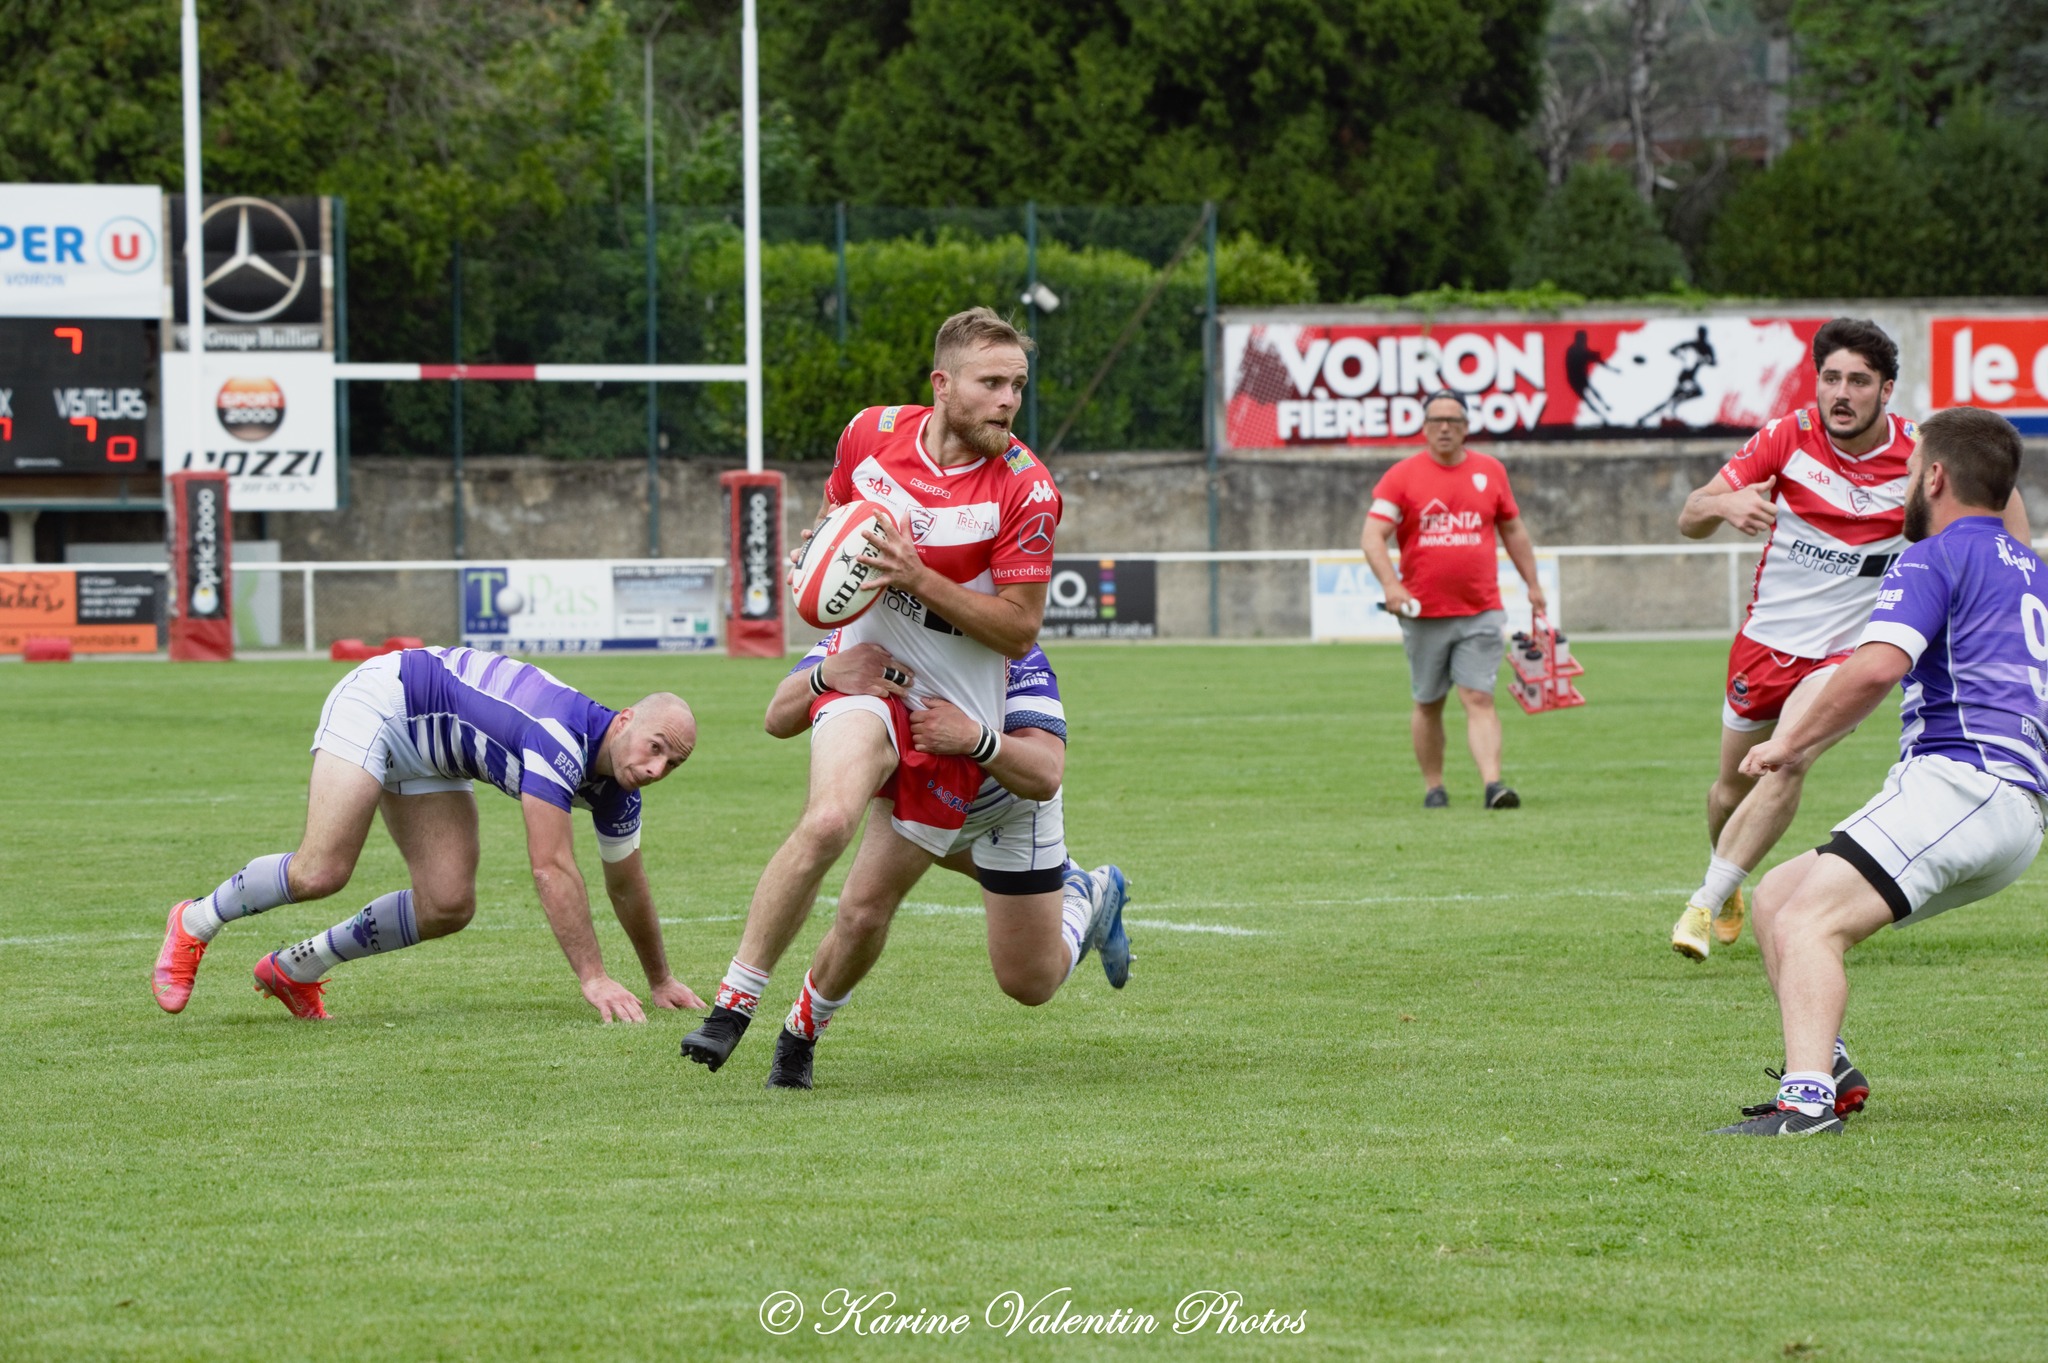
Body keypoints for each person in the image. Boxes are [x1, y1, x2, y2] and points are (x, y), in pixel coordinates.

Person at [679, 306, 1063, 1077]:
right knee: (826, 819)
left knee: (864, 910)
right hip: (868, 677)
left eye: (1017, 385)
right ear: (942, 384)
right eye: (991, 383)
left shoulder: (1027, 490)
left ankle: (804, 1024)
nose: (1008, 401)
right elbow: (835, 523)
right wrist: (812, 559)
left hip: (952, 716)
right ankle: (733, 1002)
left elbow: (1021, 633)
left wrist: (918, 577)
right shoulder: (869, 432)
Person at [1715, 407, 2043, 1135]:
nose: (1901, 485)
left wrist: (1790, 743)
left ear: (1935, 476)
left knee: (1807, 921)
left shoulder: (1935, 555)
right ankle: (1829, 1067)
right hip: (2001, 801)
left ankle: (1805, 1106)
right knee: (1776, 895)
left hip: (1962, 783)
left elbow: (1876, 668)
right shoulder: (2029, 566)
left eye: (1907, 470)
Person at [1667, 319, 2031, 960]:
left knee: (1791, 755)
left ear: (1886, 390)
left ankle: (1702, 901)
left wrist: (2014, 585)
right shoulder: (1786, 438)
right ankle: (1726, 879)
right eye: (1830, 378)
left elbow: (1999, 504)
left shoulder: (1925, 454)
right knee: (1730, 788)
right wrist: (1724, 507)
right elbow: (1690, 513)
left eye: (1858, 381)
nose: (1841, 392)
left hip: (1848, 648)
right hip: (1768, 639)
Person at [150, 646, 705, 1022]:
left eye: (671, 765)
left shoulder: (620, 788)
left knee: (447, 904)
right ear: (627, 719)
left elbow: (628, 885)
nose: (656, 769)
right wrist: (596, 978)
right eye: (655, 747)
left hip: (435, 755)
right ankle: (195, 920)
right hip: (385, 700)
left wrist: (660, 980)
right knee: (321, 872)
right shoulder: (559, 737)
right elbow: (550, 867)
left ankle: (295, 968)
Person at [739, 633, 1131, 1087]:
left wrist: (975, 738)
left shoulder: (1011, 652)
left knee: (1029, 983)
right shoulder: (875, 629)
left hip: (1010, 808)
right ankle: (798, 1038)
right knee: (863, 912)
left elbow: (1044, 773)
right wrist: (824, 674)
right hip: (924, 801)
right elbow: (777, 717)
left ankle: (1081, 892)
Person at [1361, 388, 1548, 809]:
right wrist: (1392, 584)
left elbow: (1513, 530)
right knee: (1428, 702)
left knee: (1478, 697)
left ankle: (1493, 785)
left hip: (1481, 607)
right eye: (1436, 421)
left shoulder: (1491, 472)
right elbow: (1372, 534)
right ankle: (1434, 787)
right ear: (1424, 428)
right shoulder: (1401, 476)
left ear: (1466, 428)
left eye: (1453, 421)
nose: (1444, 428)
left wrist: (1532, 583)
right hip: (1423, 612)